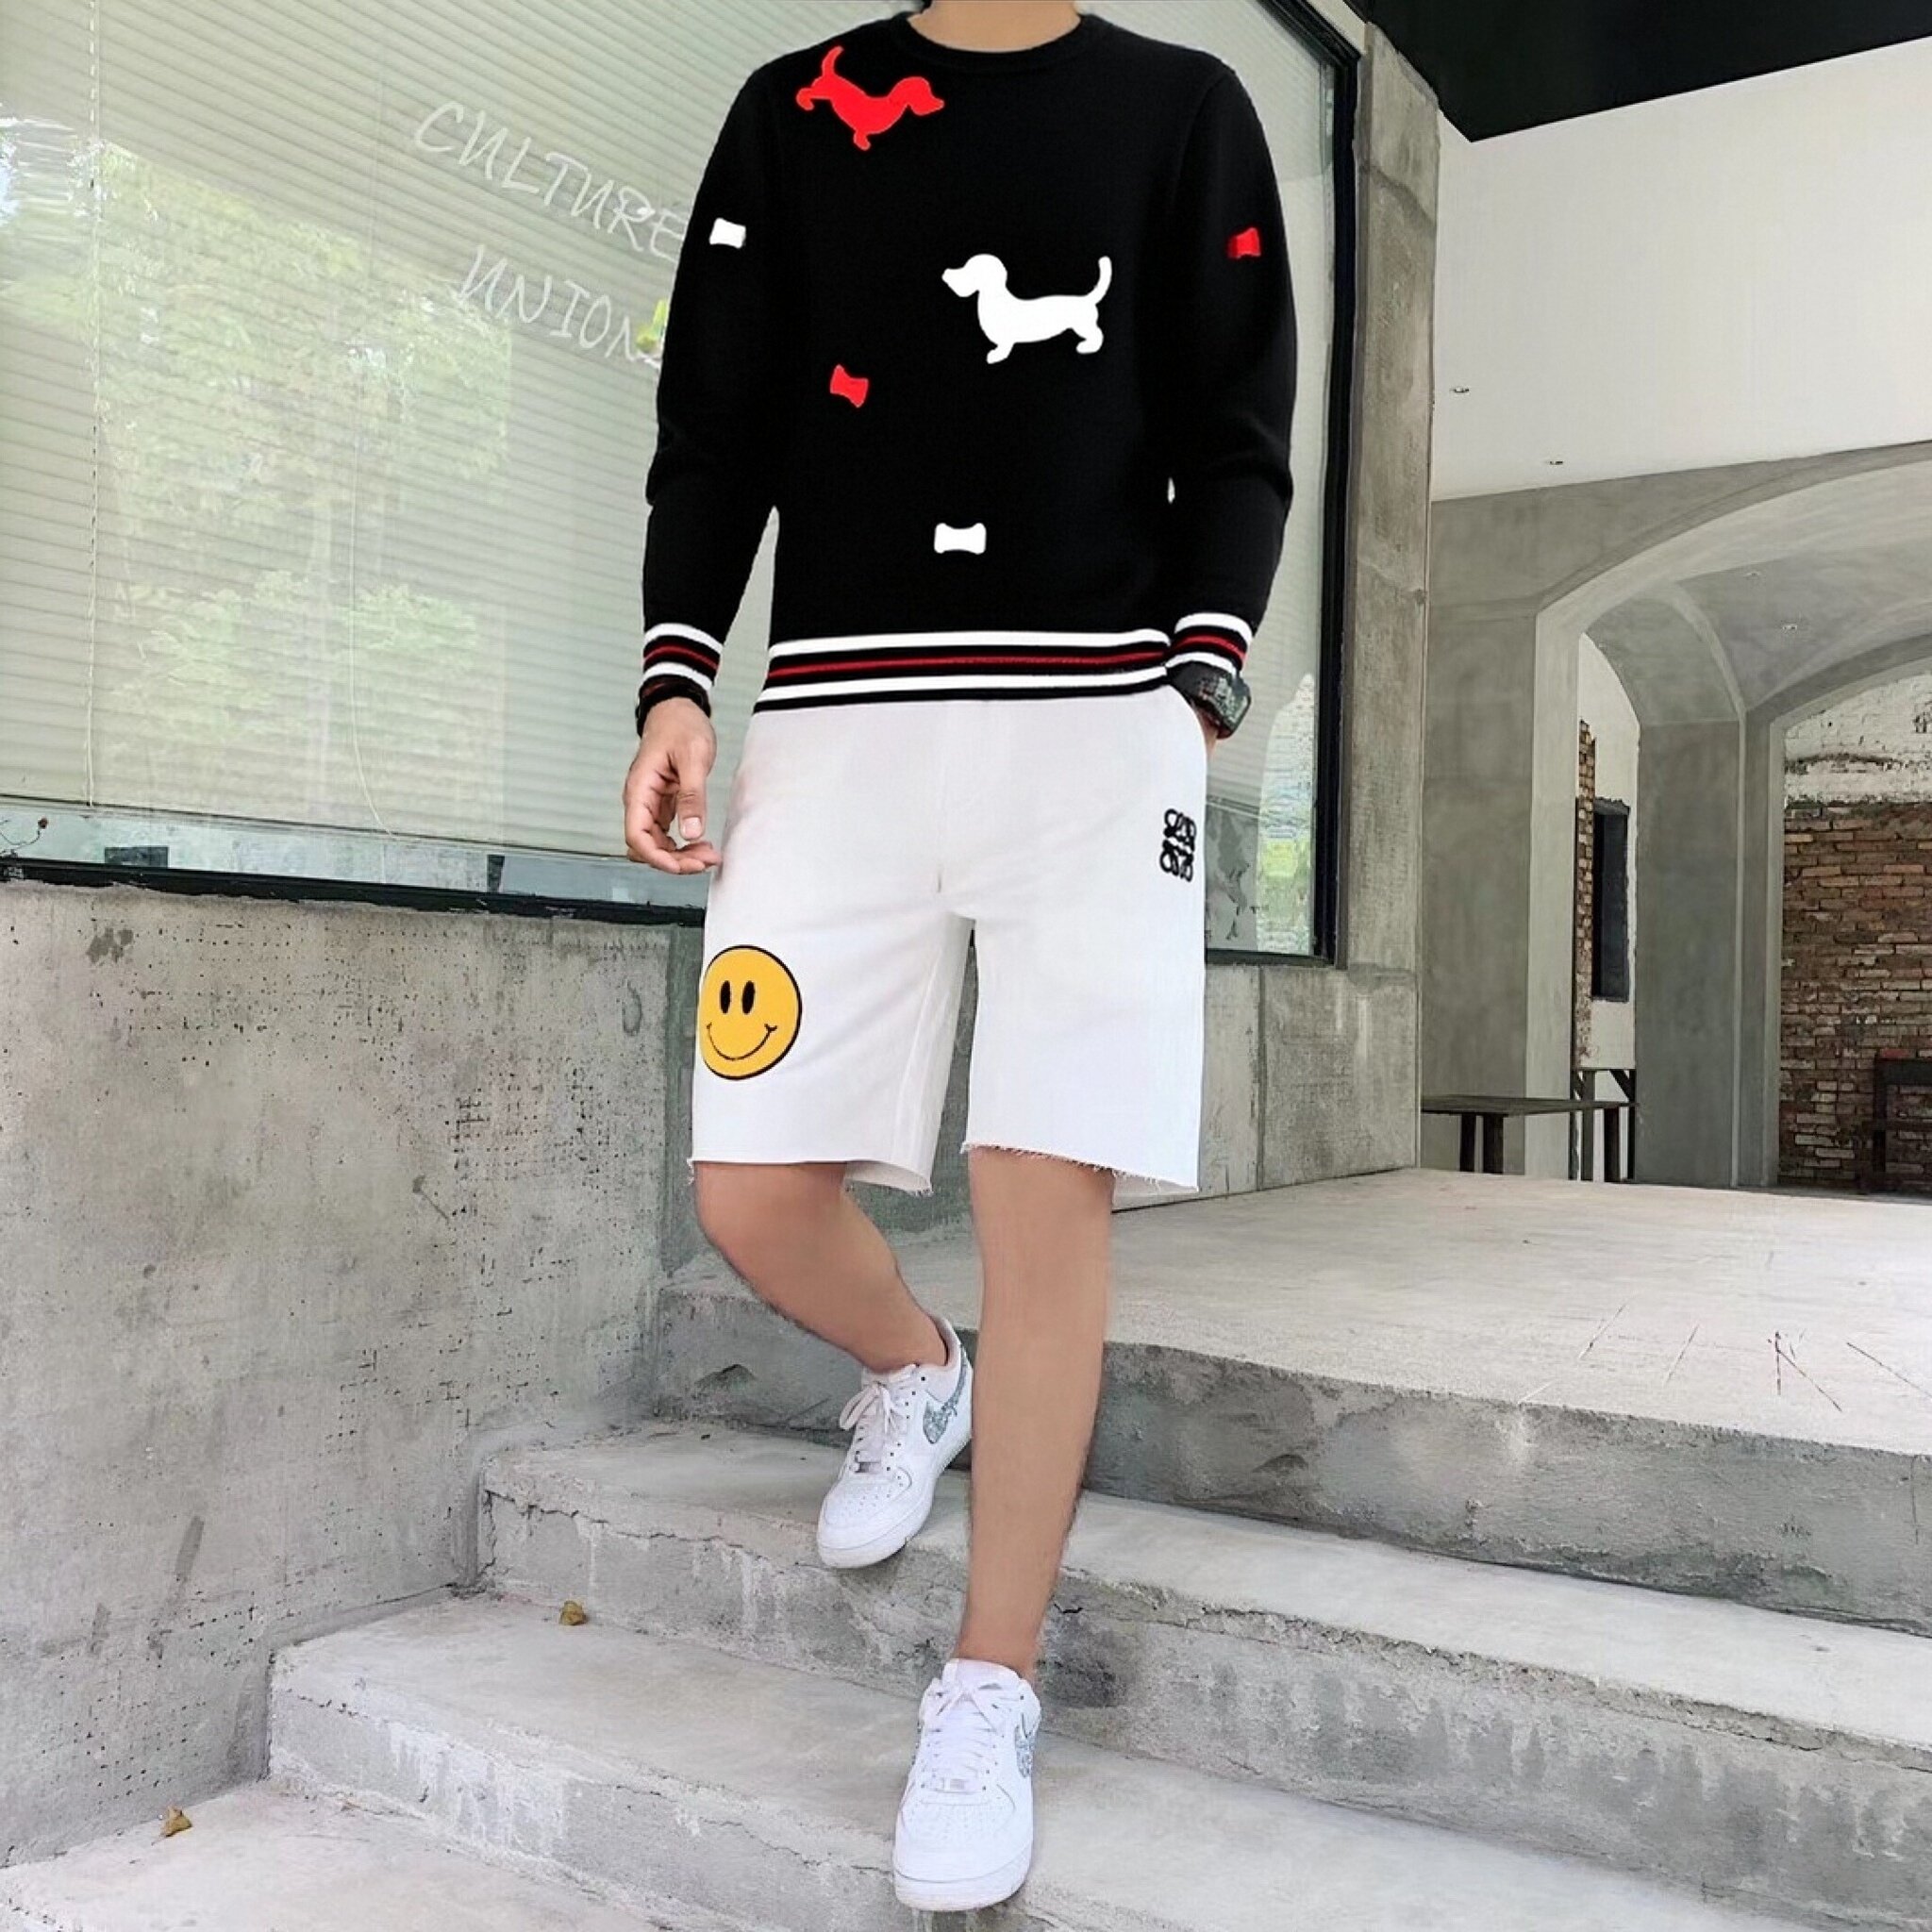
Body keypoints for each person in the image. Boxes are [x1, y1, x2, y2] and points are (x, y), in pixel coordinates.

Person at [623, 0, 1294, 1908]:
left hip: (1095, 719)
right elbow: (718, 413)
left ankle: (988, 1683)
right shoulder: (795, 110)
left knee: (1041, 1183)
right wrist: (677, 673)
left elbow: (1237, 417)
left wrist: (1199, 672)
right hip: (836, 716)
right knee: (749, 1182)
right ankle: (918, 1369)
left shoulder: (1183, 109)